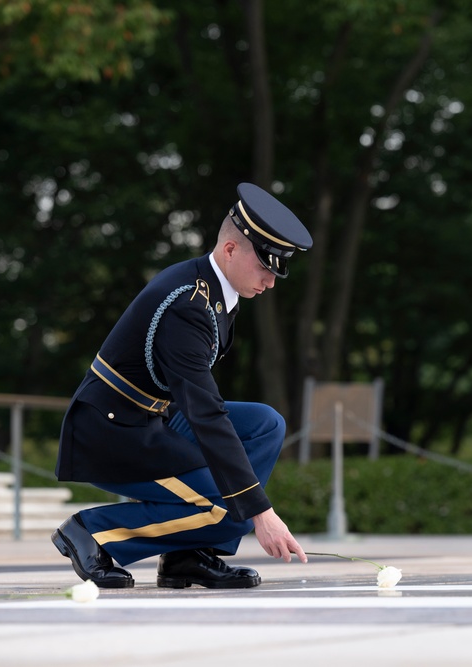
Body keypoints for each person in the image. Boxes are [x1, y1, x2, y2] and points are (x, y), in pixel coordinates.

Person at [52, 183, 311, 589]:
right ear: (230, 251)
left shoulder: (218, 291)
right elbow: (205, 412)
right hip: (111, 433)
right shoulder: (187, 304)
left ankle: (189, 558)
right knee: (225, 504)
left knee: (266, 424)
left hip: (150, 419)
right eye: (265, 267)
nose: (271, 281)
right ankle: (93, 531)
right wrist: (261, 512)